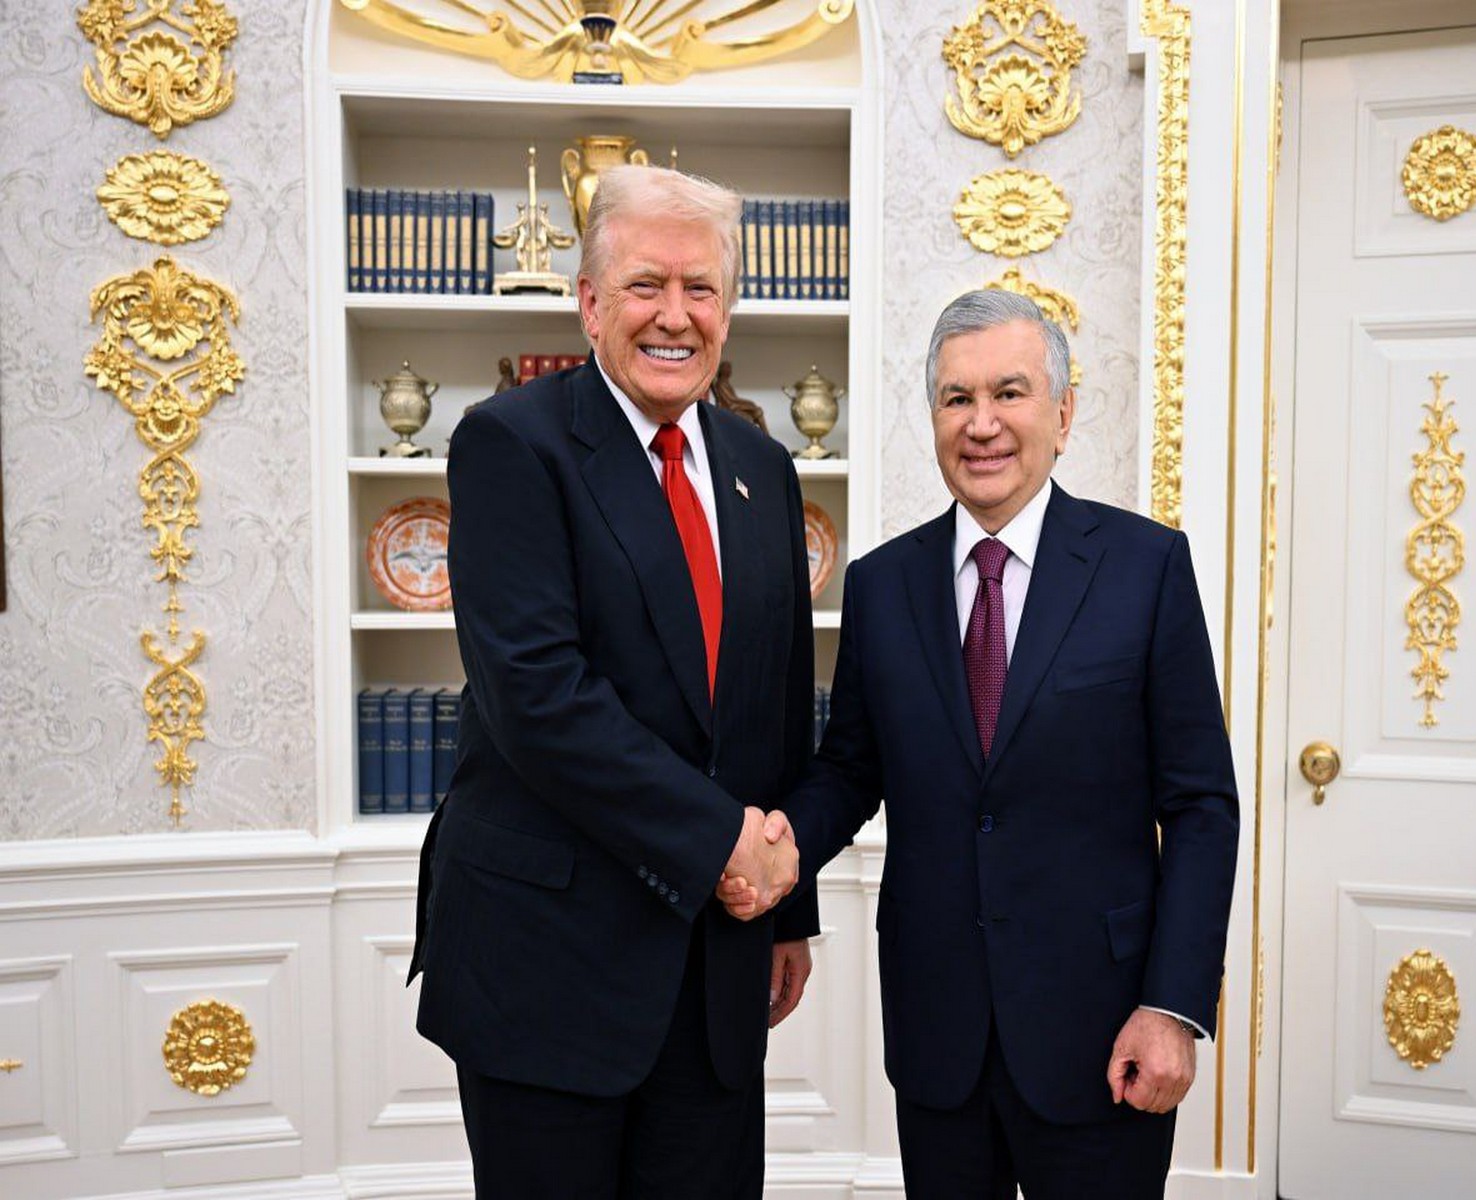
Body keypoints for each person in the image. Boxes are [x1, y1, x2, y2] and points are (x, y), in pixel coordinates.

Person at [726, 291, 1239, 1197]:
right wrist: (777, 857)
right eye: (957, 399)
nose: (984, 424)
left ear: (1064, 412)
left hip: (1104, 1026)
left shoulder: (1146, 568)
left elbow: (1200, 806)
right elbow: (850, 769)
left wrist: (1173, 1007)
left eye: (1010, 392)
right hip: (938, 1026)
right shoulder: (883, 585)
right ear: (933, 417)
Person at [409, 164, 818, 1199]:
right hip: (547, 963)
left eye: (701, 289)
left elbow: (772, 697)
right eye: (645, 285)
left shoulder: (760, 466)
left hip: (718, 960)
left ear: (729, 308)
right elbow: (539, 698)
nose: (674, 316)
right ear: (590, 303)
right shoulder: (512, 443)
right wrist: (725, 845)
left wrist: (785, 912)